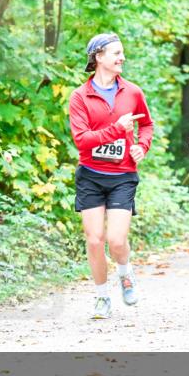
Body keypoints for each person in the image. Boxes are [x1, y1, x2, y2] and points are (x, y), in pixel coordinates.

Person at [69, 32, 154, 319]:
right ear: (98, 57)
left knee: (116, 240)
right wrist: (118, 129)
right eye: (116, 53)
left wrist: (142, 146)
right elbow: (82, 140)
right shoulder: (80, 97)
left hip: (122, 175)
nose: (122, 58)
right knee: (94, 240)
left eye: (122, 53)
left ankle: (125, 273)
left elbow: (147, 125)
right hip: (91, 175)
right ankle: (102, 297)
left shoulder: (132, 92)